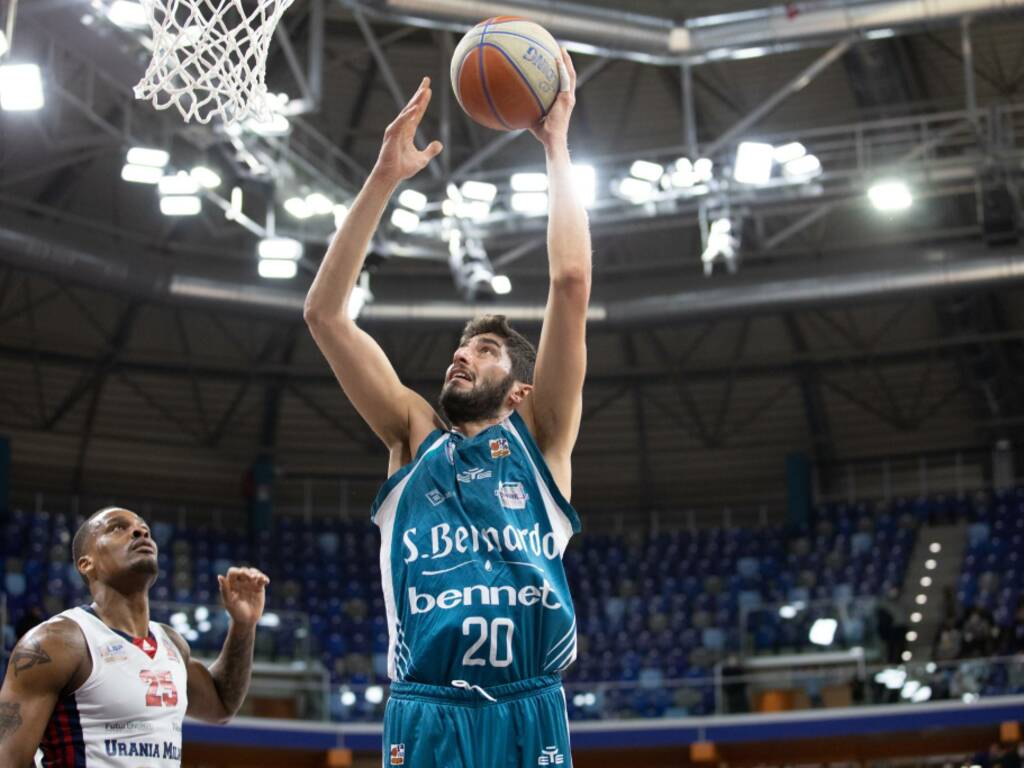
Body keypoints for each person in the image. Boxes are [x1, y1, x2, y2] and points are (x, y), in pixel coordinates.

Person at [304, 50, 590, 768]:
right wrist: (382, 180)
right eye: (462, 350)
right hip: (427, 706)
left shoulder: (544, 438)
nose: (462, 356)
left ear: (519, 389)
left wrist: (555, 146)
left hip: (531, 700)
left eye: (486, 351)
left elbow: (571, 280)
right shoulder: (411, 436)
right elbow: (326, 316)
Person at [0, 507, 269, 767]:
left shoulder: (171, 643)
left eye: (144, 529)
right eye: (118, 528)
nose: (139, 532)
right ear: (86, 563)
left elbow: (222, 706)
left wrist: (243, 627)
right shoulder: (58, 642)